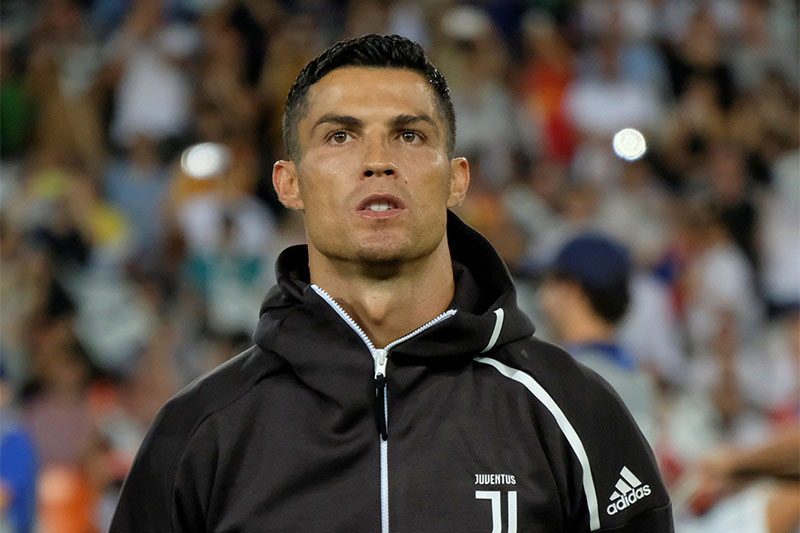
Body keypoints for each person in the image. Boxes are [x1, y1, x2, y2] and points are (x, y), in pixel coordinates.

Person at [111, 34, 673, 532]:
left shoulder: (573, 412)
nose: (377, 161)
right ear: (289, 184)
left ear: (456, 179)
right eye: (339, 137)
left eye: (408, 135)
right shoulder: (198, 433)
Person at [539, 234, 659, 444]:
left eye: (549, 282)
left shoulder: (563, 375)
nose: (542, 295)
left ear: (572, 291)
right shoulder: (638, 374)